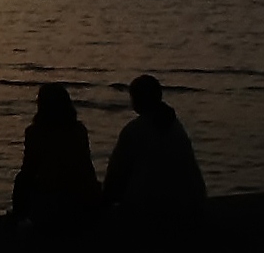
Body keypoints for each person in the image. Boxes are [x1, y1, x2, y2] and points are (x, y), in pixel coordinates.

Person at [103, 75, 206, 236]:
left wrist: (105, 201)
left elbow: (115, 175)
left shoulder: (134, 130)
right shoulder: (176, 127)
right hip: (188, 204)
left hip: (150, 211)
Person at [11, 83, 101, 237]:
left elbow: (29, 170)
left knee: (21, 180)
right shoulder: (78, 130)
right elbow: (86, 167)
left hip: (51, 197)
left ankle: (19, 220)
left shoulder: (35, 132)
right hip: (79, 196)